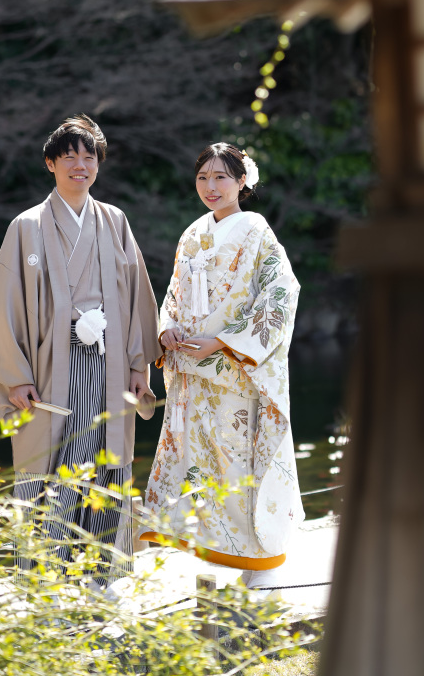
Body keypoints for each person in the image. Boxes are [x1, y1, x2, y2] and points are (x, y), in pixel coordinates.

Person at [0, 114, 161, 582]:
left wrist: (140, 366)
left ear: (98, 165)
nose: (81, 164)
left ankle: (101, 573)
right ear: (50, 163)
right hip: (49, 363)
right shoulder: (26, 226)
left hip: (111, 363)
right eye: (70, 155)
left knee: (105, 454)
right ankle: (44, 577)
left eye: (89, 156)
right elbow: (5, 302)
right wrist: (15, 375)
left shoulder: (114, 221)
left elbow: (136, 294)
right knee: (53, 462)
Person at [142, 142, 304, 584]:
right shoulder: (192, 234)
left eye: (221, 177)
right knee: (201, 463)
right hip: (192, 370)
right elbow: (173, 293)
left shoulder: (257, 230)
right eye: (203, 178)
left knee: (236, 462)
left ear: (242, 181)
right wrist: (166, 329)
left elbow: (280, 293)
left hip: (233, 368)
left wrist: (224, 341)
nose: (211, 187)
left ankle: (256, 560)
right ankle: (215, 554)